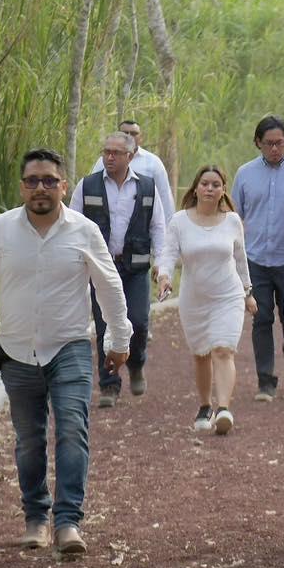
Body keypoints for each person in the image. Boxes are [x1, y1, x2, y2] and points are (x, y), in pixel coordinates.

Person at [0, 149, 131, 557]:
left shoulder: (84, 231)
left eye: (50, 180)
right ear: (22, 187)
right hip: (16, 352)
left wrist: (119, 341)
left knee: (72, 431)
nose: (41, 188)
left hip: (69, 348)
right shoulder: (0, 230)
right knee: (29, 440)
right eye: (33, 181)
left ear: (64, 186)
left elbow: (109, 287)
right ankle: (36, 518)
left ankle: (68, 523)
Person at [156, 165, 257, 435]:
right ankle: (205, 406)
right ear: (196, 188)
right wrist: (164, 277)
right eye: (205, 184)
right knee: (201, 354)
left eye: (216, 184)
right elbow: (168, 254)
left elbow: (240, 259)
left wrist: (248, 292)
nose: (210, 188)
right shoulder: (179, 221)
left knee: (223, 349)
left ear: (223, 190)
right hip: (194, 298)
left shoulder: (233, 221)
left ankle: (223, 409)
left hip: (228, 295)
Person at [75, 132, 166, 407]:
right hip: (102, 268)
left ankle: (136, 363)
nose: (110, 157)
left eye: (116, 153)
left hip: (136, 267)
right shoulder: (87, 185)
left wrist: (161, 265)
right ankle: (109, 385)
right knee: (105, 327)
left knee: (138, 321)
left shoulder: (147, 187)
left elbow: (158, 228)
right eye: (106, 152)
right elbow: (73, 223)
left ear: (130, 156)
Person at [232, 114, 284, 401]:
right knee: (261, 318)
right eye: (269, 143)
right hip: (256, 258)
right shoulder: (244, 174)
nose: (275, 149)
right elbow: (234, 217)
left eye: (280, 143)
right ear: (258, 143)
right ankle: (265, 379)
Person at [87, 118, 176, 225]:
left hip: (141, 225)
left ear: (141, 137)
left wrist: (168, 229)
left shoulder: (153, 163)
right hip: (106, 222)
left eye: (134, 133)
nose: (130, 136)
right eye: (125, 133)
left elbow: (164, 196)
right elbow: (91, 190)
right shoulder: (103, 161)